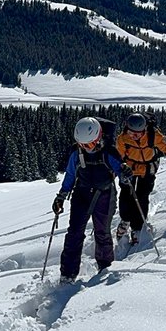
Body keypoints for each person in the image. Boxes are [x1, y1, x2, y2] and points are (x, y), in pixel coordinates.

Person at [51, 117, 131, 283]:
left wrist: (125, 174)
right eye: (81, 144)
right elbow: (70, 175)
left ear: (98, 137)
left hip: (105, 195)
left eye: (88, 144)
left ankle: (105, 267)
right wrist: (61, 196)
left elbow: (121, 173)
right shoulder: (77, 153)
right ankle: (68, 274)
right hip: (81, 194)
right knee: (74, 233)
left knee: (102, 232)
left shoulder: (109, 152)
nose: (85, 147)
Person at [114, 113, 166, 244]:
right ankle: (125, 220)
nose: (134, 136)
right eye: (131, 133)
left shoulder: (152, 134)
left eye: (138, 134)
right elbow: (118, 156)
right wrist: (119, 169)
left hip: (147, 168)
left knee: (142, 196)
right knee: (126, 195)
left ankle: (137, 226)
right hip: (129, 169)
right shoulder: (122, 138)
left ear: (144, 129)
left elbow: (165, 143)